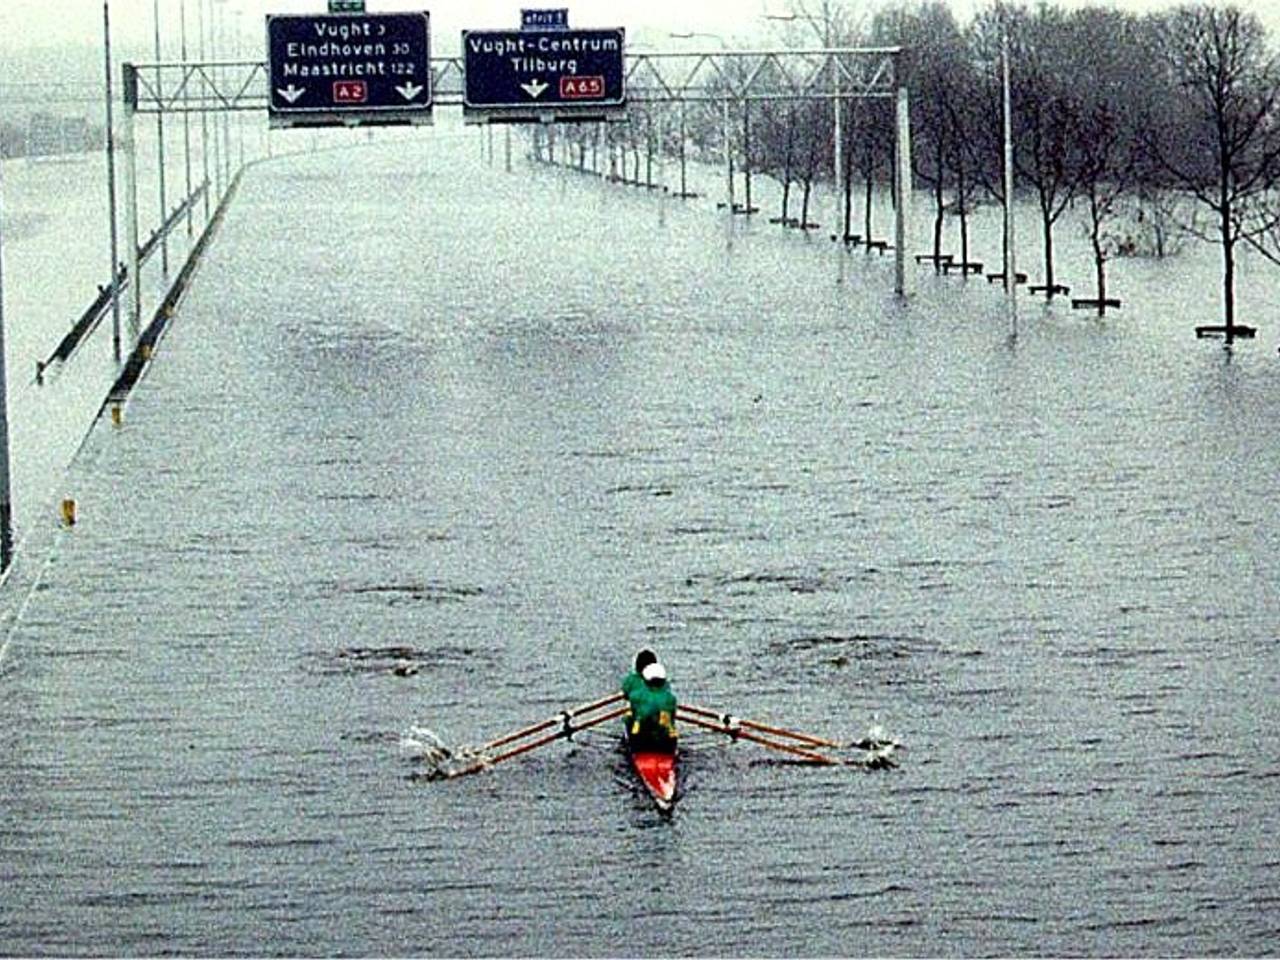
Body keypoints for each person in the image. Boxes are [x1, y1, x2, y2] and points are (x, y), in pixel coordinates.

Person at [620, 649, 677, 753]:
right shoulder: (671, 697)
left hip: (641, 742)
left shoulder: (635, 694)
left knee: (629, 716)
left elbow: (625, 694)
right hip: (666, 743)